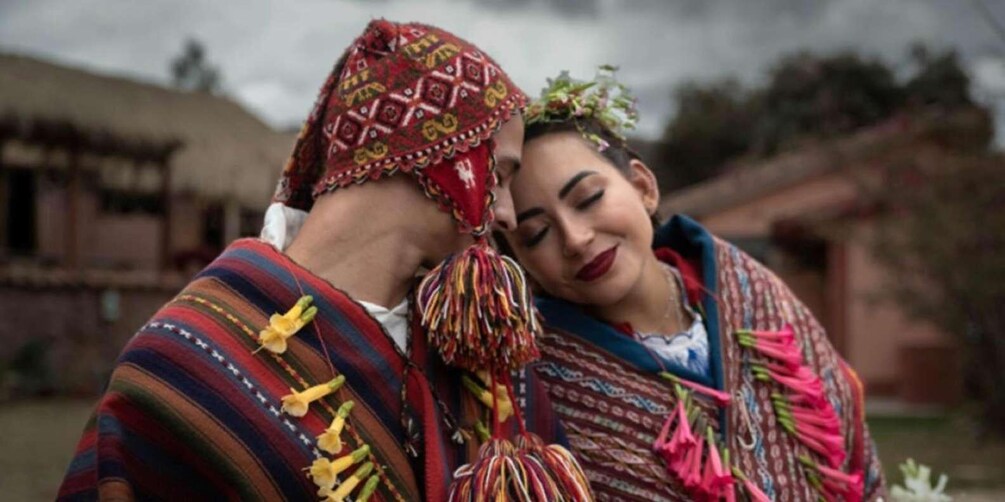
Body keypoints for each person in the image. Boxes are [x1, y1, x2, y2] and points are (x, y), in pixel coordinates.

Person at [58, 20, 576, 502]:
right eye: (500, 176)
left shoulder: (472, 350)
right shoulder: (183, 363)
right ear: (441, 155)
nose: (507, 214)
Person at [495, 69, 886, 501]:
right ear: (520, 261)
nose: (575, 238)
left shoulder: (755, 294)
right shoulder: (533, 388)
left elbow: (855, 459)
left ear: (643, 186)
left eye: (588, 198)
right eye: (536, 234)